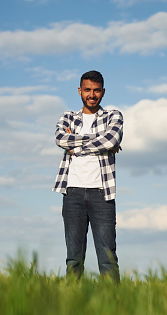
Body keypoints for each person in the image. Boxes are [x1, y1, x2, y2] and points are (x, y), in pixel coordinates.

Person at [52, 70, 123, 282]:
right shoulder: (68, 117)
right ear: (80, 91)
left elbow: (111, 140)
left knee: (108, 259)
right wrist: (98, 142)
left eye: (96, 90)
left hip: (102, 194)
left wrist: (77, 146)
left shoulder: (113, 116)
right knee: (73, 259)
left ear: (103, 92)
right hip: (72, 192)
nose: (92, 95)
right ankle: (73, 308)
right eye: (87, 90)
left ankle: (114, 307)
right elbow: (59, 138)